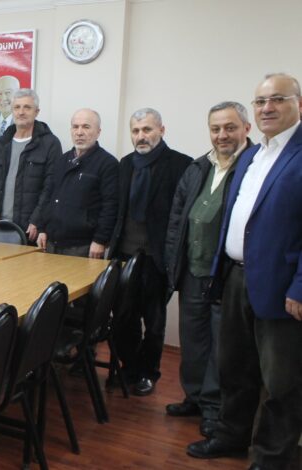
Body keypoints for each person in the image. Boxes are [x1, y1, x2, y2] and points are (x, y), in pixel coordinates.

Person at [187, 73, 302, 470]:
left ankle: (271, 458)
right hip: (237, 277)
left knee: (282, 382)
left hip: (282, 286)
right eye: (260, 101)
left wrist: (301, 286)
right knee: (234, 368)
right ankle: (231, 436)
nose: (267, 108)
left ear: (298, 104)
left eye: (277, 99)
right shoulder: (252, 156)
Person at [164, 102, 251, 439]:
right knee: (193, 339)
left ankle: (215, 409)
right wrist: (173, 264)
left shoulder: (252, 166)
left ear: (246, 128)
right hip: (192, 270)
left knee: (221, 347)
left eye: (230, 127)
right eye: (215, 129)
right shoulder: (198, 167)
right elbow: (177, 219)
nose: (222, 135)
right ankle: (195, 397)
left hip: (225, 275)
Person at [109, 108, 191, 396]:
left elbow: (182, 217)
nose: (141, 136)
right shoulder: (125, 164)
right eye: (136, 131)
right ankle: (130, 367)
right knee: (124, 318)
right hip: (124, 256)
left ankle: (148, 372)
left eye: (147, 129)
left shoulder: (181, 165)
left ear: (161, 130)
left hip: (156, 258)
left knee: (154, 323)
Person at [0, 89, 62, 243]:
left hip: (28, 229)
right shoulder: (1, 143)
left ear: (37, 112)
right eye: (17, 107)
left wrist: (37, 221)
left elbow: (50, 188)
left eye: (27, 107)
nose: (21, 112)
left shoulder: (50, 144)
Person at [37, 108, 118, 258]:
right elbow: (49, 195)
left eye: (86, 127)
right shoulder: (62, 160)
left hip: (83, 246)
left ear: (98, 132)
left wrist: (100, 240)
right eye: (75, 127)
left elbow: (110, 206)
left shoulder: (107, 163)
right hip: (51, 242)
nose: (79, 132)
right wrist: (42, 228)